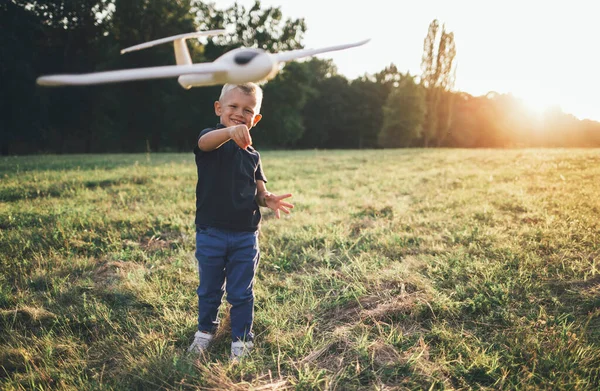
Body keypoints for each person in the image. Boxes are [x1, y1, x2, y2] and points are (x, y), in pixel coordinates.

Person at [188, 83, 294, 361]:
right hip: (210, 231)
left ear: (255, 119)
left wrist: (267, 198)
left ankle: (241, 339)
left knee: (241, 292)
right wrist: (230, 132)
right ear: (218, 108)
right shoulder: (210, 139)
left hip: (245, 235)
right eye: (232, 107)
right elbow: (203, 143)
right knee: (209, 289)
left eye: (247, 110)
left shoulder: (253, 156)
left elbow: (259, 191)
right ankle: (204, 332)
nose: (239, 113)